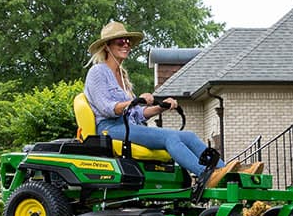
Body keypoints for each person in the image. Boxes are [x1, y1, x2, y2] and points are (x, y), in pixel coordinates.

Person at [82, 21, 236, 182]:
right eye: (120, 42)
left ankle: (226, 172)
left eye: (128, 42)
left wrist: (161, 107)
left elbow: (137, 114)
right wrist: (135, 101)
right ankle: (206, 175)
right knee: (171, 138)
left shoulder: (122, 76)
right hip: (110, 129)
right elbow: (106, 108)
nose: (126, 45)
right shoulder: (97, 72)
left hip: (128, 126)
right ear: (106, 46)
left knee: (189, 135)